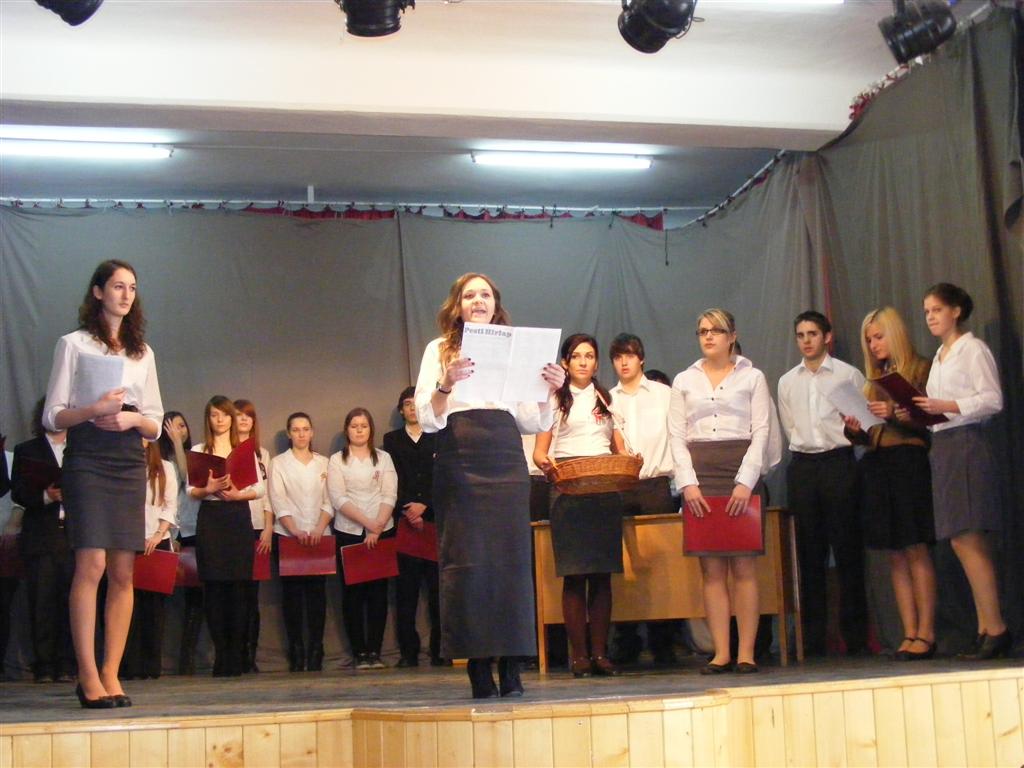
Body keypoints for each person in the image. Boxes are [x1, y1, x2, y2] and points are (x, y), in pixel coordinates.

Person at [413, 272, 565, 698]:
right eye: (469, 295)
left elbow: (532, 420)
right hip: (460, 458)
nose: (478, 301)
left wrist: (550, 391)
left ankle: (513, 666)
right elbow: (427, 418)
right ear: (457, 305)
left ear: (496, 304)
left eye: (485, 295)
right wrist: (447, 382)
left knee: (510, 561)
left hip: (504, 459)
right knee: (468, 562)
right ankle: (478, 666)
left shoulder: (516, 347)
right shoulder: (439, 349)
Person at [42, 259, 164, 708]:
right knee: (91, 565)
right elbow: (52, 415)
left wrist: (133, 419)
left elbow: (155, 422)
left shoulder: (142, 352)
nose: (126, 294)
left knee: (123, 571)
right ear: (98, 292)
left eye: (132, 287)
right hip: (89, 458)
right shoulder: (73, 344)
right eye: (117, 286)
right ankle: (88, 674)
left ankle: (112, 672)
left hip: (128, 458)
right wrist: (93, 410)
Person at [668, 309, 774, 675]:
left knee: (744, 566)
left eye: (716, 330)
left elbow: (761, 431)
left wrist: (746, 480)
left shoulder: (753, 376)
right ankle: (721, 652)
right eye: (702, 331)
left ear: (732, 336)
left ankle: (746, 653)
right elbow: (676, 436)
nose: (709, 336)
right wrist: (687, 483)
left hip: (740, 470)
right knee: (711, 569)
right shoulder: (684, 379)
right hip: (701, 475)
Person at [914, 283, 1009, 659]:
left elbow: (992, 399)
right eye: (926, 311)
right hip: (944, 445)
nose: (931, 317)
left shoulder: (972, 349)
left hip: (967, 443)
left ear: (956, 311)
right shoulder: (939, 356)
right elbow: (940, 408)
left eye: (937, 309)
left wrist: (947, 405)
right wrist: (919, 412)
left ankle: (995, 627)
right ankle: (986, 627)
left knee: (968, 536)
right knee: (960, 539)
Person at [842, 307, 936, 661]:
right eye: (869, 339)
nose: (873, 344)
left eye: (879, 337)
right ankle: (908, 631)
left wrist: (894, 413)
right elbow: (869, 434)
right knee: (894, 553)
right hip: (877, 464)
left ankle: (926, 631)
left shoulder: (921, 369)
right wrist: (855, 428)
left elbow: (929, 423)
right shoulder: (874, 379)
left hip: (908, 462)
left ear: (895, 334)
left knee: (915, 546)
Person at [777, 311, 869, 657]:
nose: (806, 341)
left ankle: (856, 638)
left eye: (812, 334)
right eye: (800, 335)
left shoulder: (848, 375)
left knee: (848, 551)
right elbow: (790, 427)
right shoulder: (788, 381)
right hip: (804, 466)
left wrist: (852, 431)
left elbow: (863, 426)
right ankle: (813, 639)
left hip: (839, 463)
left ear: (827, 337)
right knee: (808, 554)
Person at [534, 333, 626, 678]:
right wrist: (551, 468)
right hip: (568, 490)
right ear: (565, 363)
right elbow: (539, 453)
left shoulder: (607, 398)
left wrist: (628, 460)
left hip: (604, 489)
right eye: (576, 356)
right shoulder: (554, 399)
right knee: (574, 576)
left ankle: (601, 654)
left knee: (602, 577)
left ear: (597, 363)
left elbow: (620, 448)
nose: (584, 361)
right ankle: (579, 656)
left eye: (589, 356)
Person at [605, 335, 679, 667]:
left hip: (655, 484)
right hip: (620, 485)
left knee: (661, 564)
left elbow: (678, 437)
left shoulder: (664, 394)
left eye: (630, 356)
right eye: (618, 357)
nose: (624, 362)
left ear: (642, 359)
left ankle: (664, 641)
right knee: (623, 565)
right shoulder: (606, 398)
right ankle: (626, 639)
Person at [187, 396, 265, 677]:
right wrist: (207, 489)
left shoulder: (243, 449)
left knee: (238, 588)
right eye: (214, 415)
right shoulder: (199, 450)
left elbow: (259, 488)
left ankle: (236, 655)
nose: (219, 420)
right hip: (211, 519)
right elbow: (191, 491)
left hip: (237, 517)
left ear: (232, 418)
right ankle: (222, 655)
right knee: (215, 588)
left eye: (224, 414)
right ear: (208, 419)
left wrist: (237, 495)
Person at [327, 407, 397, 670]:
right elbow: (338, 498)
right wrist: (368, 524)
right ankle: (359, 653)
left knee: (378, 595)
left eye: (364, 426)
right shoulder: (337, 460)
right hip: (350, 532)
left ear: (371, 429)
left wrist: (377, 527)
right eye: (354, 426)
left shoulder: (383, 458)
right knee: (353, 596)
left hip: (382, 531)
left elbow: (389, 494)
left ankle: (375, 652)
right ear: (347, 430)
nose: (359, 430)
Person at [11, 399, 74, 683]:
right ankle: (44, 665)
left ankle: (68, 663)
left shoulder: (79, 448)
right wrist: (46, 496)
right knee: (42, 600)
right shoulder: (28, 450)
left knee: (71, 601)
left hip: (73, 534)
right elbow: (19, 492)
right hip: (41, 534)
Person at [383, 386, 445, 668]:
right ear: (401, 409)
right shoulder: (392, 440)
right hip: (405, 521)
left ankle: (440, 650)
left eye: (416, 404)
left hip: (434, 521)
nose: (411, 409)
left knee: (437, 593)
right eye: (407, 404)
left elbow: (443, 476)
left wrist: (426, 506)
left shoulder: (439, 435)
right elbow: (390, 479)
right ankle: (408, 652)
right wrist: (408, 508)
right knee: (405, 593)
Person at [269, 412, 332, 672]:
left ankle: (316, 649)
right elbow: (278, 499)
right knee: (291, 597)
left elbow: (331, 498)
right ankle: (296, 649)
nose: (301, 434)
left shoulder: (324, 463)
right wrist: (294, 529)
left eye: (305, 429)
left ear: (312, 432)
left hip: (319, 535)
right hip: (288, 536)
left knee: (317, 597)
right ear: (289, 434)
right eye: (296, 430)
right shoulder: (278, 463)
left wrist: (319, 527)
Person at [120, 440, 176, 679]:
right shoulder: (122, 466)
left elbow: (170, 506)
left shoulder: (165, 467)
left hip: (157, 542)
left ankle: (151, 666)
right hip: (127, 542)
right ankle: (129, 666)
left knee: (154, 609)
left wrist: (157, 534)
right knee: (127, 606)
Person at [160, 411, 204, 675]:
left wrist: (179, 443)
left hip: (195, 530)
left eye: (183, 425)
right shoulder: (159, 459)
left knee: (196, 597)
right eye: (173, 426)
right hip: (170, 533)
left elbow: (189, 475)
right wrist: (172, 535)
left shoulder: (195, 454)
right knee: (163, 599)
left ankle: (188, 659)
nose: (180, 430)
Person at [234, 399, 273, 673]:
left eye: (248, 415)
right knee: (235, 593)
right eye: (239, 415)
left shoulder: (262, 454)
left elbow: (268, 494)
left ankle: (251, 655)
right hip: (232, 526)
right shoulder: (225, 449)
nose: (244, 419)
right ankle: (235, 654)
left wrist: (269, 527)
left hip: (258, 527)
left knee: (252, 596)